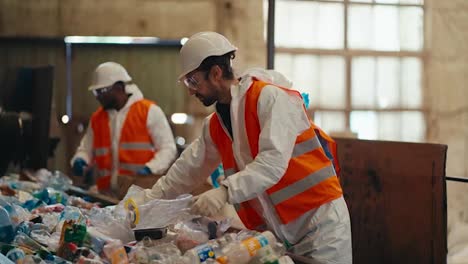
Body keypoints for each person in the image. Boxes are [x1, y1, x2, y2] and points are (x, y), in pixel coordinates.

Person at [128, 32, 352, 262]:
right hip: (281, 233)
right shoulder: (217, 125)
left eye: (193, 81)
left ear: (215, 73)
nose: (190, 90)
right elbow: (187, 170)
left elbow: (272, 163)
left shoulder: (270, 99)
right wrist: (146, 201)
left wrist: (225, 191)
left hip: (320, 226)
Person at [71, 62, 177, 194]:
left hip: (139, 194)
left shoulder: (149, 111)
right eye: (95, 92)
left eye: (102, 91)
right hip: (106, 194)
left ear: (119, 87)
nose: (98, 97)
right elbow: (86, 149)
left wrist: (150, 169)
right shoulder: (97, 118)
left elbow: (168, 149)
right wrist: (80, 159)